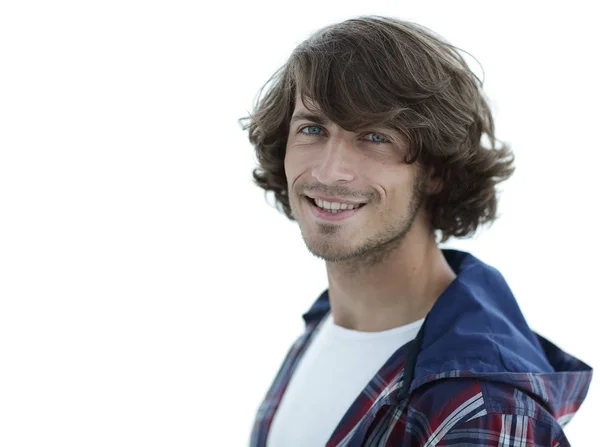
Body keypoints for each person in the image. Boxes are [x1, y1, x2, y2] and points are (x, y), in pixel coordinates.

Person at [241, 16, 593, 446]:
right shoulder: (326, 325)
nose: (329, 169)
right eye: (312, 129)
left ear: (436, 172)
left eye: (374, 137)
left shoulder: (484, 410)